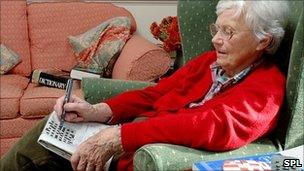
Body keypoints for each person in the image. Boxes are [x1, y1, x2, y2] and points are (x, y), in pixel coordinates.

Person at [0, 1, 289, 171]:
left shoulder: (265, 91)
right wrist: (99, 111)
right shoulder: (209, 62)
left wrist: (120, 137)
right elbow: (158, 92)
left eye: (229, 32)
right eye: (217, 28)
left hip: (140, 155)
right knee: (49, 131)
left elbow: (207, 126)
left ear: (262, 40)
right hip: (126, 139)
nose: (215, 39)